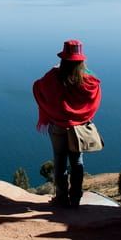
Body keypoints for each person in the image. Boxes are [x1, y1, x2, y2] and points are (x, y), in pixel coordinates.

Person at [32, 39, 102, 208]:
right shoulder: (87, 80)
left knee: (60, 161)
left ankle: (62, 198)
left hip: (57, 126)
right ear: (81, 60)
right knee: (77, 162)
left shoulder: (53, 76)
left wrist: (55, 69)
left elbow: (38, 87)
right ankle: (76, 198)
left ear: (63, 59)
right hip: (78, 129)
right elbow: (95, 91)